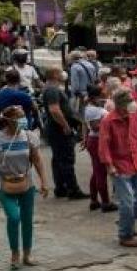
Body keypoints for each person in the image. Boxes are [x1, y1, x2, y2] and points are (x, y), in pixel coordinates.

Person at [0, 105, 50, 269]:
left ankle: (27, 254)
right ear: (9, 120)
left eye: (23, 116)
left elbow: (37, 160)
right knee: (14, 217)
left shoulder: (29, 136)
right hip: (4, 184)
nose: (23, 119)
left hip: (27, 184)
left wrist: (44, 181)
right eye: (19, 116)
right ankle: (14, 253)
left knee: (27, 220)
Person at [99, 89, 137, 248]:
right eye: (129, 100)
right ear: (121, 103)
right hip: (120, 167)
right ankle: (125, 234)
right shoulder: (108, 121)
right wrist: (109, 165)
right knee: (127, 202)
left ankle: (125, 221)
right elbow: (104, 146)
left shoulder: (134, 118)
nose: (133, 102)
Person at [41, 67, 87, 200]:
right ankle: (73, 189)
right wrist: (65, 125)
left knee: (58, 159)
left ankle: (61, 187)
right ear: (55, 75)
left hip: (56, 129)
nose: (63, 74)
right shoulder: (52, 90)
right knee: (66, 159)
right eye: (60, 72)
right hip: (59, 130)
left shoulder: (51, 89)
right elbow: (54, 110)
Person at [81, 85, 115, 213]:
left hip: (94, 140)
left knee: (96, 171)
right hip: (97, 141)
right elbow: (95, 127)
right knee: (100, 172)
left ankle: (94, 200)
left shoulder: (92, 108)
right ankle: (105, 202)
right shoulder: (94, 110)